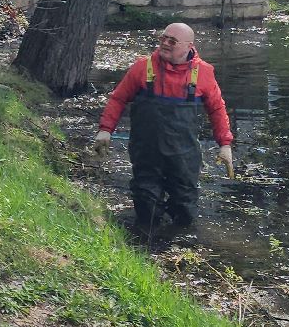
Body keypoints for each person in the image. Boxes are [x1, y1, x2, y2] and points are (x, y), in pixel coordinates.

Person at [95, 22, 234, 231]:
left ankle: (177, 243)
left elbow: (217, 109)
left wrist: (225, 144)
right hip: (147, 150)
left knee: (184, 205)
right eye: (164, 38)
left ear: (188, 46)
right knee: (146, 203)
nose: (165, 43)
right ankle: (144, 244)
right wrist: (105, 130)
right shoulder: (143, 67)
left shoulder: (203, 72)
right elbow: (118, 99)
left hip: (184, 153)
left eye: (172, 41)